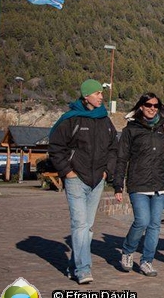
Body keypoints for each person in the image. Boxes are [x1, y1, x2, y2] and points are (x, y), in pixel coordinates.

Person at [49, 79, 118, 284]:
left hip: (97, 180)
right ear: (86, 96)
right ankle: (83, 269)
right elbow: (56, 147)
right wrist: (67, 172)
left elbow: (114, 148)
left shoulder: (105, 120)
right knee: (79, 225)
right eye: (97, 93)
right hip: (76, 179)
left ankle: (73, 265)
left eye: (101, 93)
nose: (101, 97)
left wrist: (107, 172)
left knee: (87, 227)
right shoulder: (71, 119)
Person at [113, 93, 164, 277]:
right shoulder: (131, 130)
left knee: (154, 225)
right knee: (141, 221)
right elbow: (121, 158)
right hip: (139, 184)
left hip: (160, 183)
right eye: (148, 105)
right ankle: (128, 251)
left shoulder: (163, 130)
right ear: (141, 107)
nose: (152, 108)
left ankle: (147, 261)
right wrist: (118, 185)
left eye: (156, 105)